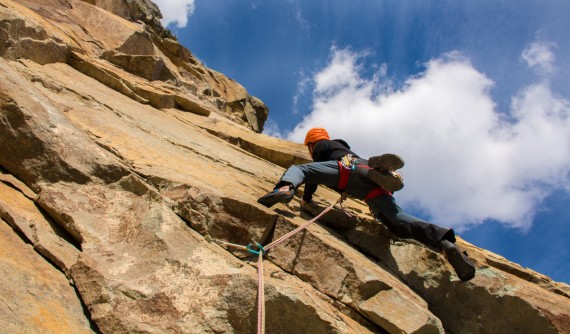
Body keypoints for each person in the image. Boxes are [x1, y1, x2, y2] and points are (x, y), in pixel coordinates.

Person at [258, 127, 476, 281]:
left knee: (300, 170)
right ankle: (444, 244)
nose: (311, 150)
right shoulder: (341, 145)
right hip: (366, 177)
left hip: (345, 170)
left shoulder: (322, 145)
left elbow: (312, 174)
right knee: (398, 221)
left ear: (312, 143)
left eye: (310, 147)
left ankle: (285, 188)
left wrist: (305, 200)